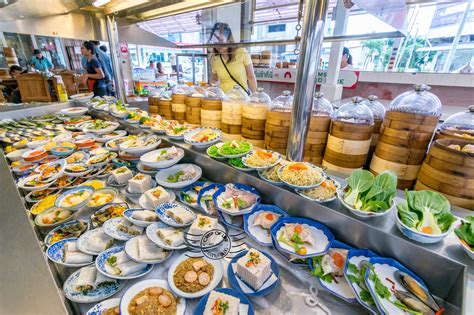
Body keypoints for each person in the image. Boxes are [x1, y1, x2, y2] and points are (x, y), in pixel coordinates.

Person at [208, 22, 257, 94]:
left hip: (241, 99)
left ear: (228, 39)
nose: (218, 45)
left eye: (221, 41)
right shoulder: (215, 59)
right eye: (215, 42)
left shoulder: (241, 52)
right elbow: (215, 79)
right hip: (224, 99)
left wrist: (256, 95)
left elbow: (251, 77)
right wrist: (210, 90)